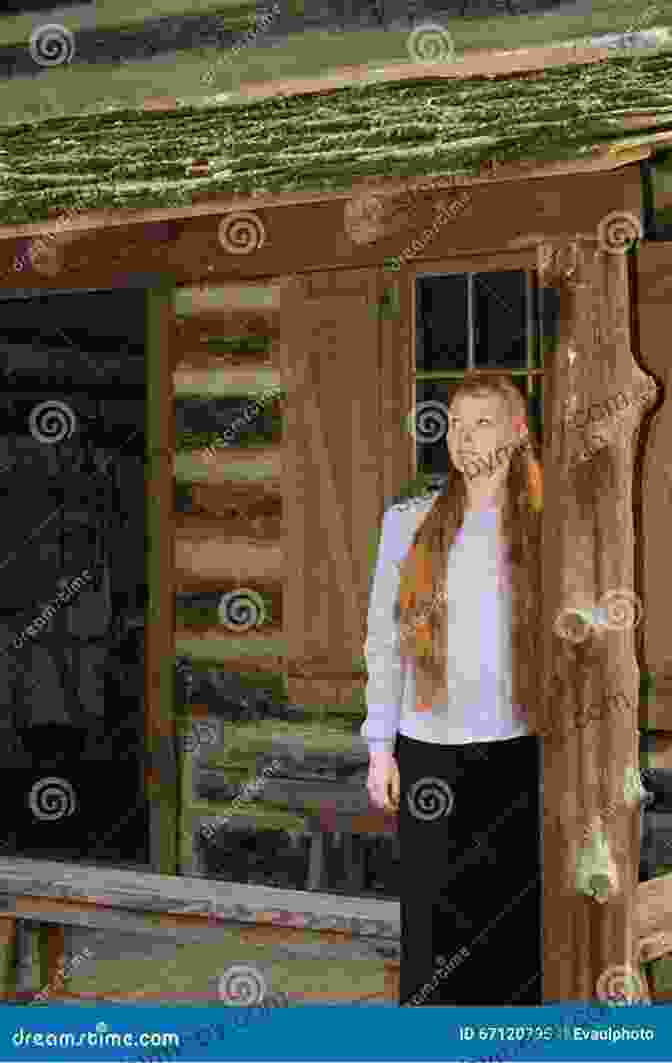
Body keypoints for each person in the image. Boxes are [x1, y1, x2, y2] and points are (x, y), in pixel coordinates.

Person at [362, 373, 544, 1006]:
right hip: (429, 750)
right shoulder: (408, 522)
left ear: (518, 433)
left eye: (483, 423)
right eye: (456, 425)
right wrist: (381, 747)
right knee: (436, 927)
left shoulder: (551, 529)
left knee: (514, 929)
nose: (465, 439)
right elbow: (384, 642)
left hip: (521, 751)